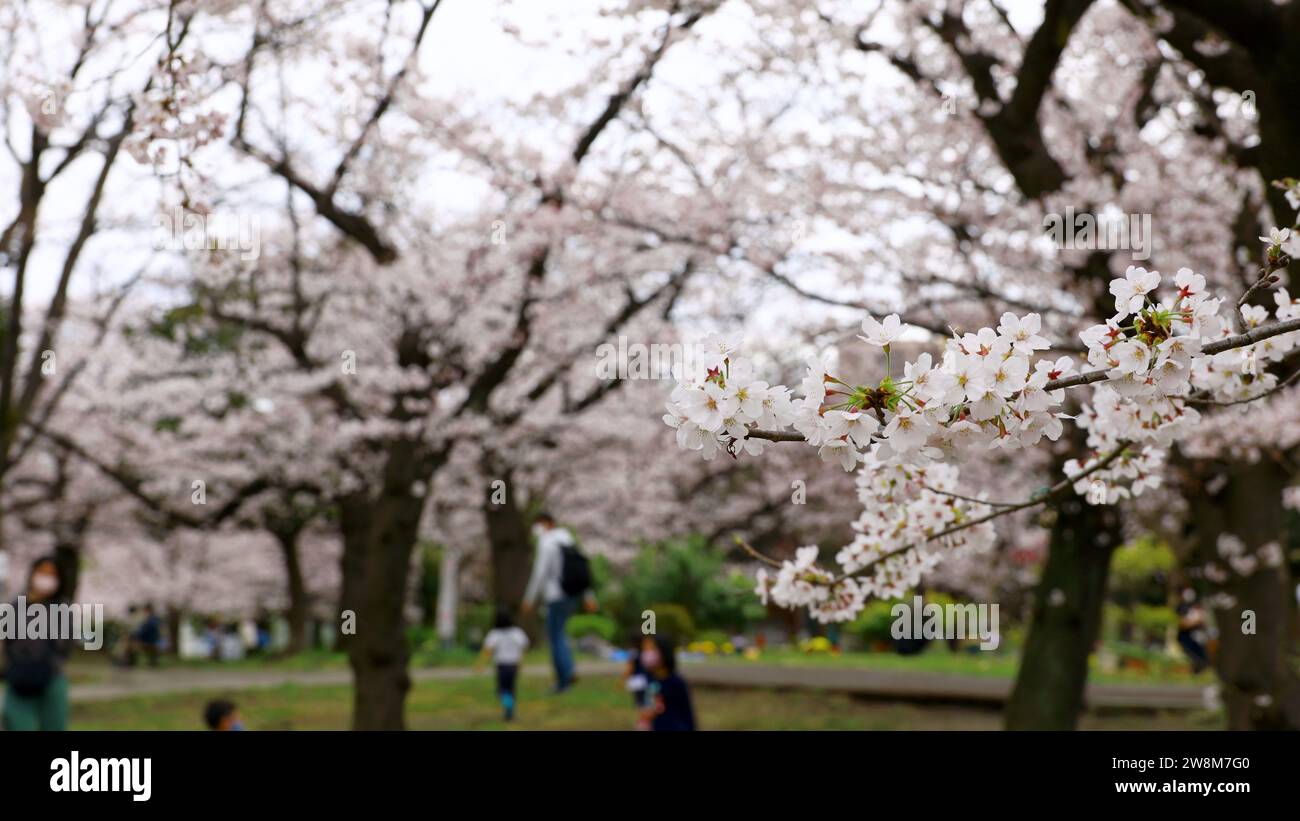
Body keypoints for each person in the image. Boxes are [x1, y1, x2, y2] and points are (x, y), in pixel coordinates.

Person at [520, 512, 594, 692]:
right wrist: (589, 597)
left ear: (547, 524)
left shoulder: (547, 544)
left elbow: (540, 574)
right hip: (572, 595)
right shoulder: (568, 540)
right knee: (560, 633)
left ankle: (564, 678)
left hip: (556, 596)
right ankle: (567, 672)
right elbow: (582, 570)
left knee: (555, 636)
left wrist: (529, 599)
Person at [2, 556, 72, 731]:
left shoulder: (63, 609)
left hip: (52, 678)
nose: (46, 578)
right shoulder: (16, 607)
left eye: (52, 574)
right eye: (42, 572)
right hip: (19, 678)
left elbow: (66, 646)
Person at [479, 610, 530, 721]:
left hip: (502, 665)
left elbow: (487, 650)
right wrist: (521, 662)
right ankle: (510, 711)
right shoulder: (517, 632)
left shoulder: (494, 634)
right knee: (511, 688)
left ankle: (508, 706)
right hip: (514, 665)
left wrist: (481, 664)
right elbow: (524, 646)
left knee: (501, 690)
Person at [643, 636, 695, 732]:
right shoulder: (651, 680)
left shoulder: (676, 682)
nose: (647, 653)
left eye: (652, 649)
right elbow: (652, 706)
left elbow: (688, 715)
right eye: (645, 649)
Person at [1176, 585, 1210, 673]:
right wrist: (1195, 622)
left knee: (1202, 655)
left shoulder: (1197, 605)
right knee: (1192, 655)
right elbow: (1182, 624)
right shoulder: (1182, 607)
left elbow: (1203, 621)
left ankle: (1201, 669)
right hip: (1186, 637)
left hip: (1198, 636)